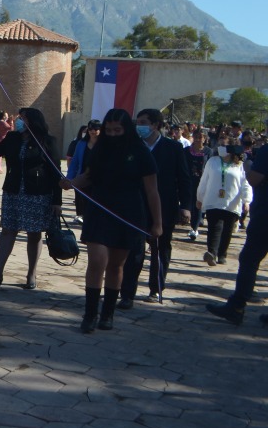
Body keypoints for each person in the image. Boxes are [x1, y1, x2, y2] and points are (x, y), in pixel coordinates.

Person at [60, 108, 162, 334]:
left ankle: (108, 313)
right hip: (98, 209)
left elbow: (152, 191)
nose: (113, 134)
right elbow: (88, 176)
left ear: (127, 129)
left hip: (127, 212)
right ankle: (89, 314)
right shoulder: (99, 149)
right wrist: (71, 182)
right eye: (109, 130)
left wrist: (157, 223)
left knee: (116, 264)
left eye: (118, 130)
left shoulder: (141, 152)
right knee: (97, 260)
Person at [0, 107, 62, 290]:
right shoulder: (13, 138)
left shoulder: (47, 141)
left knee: (34, 234)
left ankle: (31, 274)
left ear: (33, 121)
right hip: (13, 192)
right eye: (18, 118)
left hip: (38, 194)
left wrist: (57, 201)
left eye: (23, 119)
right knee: (8, 230)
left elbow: (56, 174)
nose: (18, 122)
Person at [120, 108, 192, 307]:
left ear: (156, 125)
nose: (139, 126)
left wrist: (185, 206)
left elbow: (184, 179)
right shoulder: (132, 147)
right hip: (136, 206)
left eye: (144, 122)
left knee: (160, 249)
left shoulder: (173, 148)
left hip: (165, 206)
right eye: (138, 122)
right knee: (134, 250)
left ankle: (155, 287)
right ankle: (127, 293)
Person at [207, 139, 268, 326]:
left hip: (265, 216)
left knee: (249, 260)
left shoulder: (267, 151)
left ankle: (237, 306)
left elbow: (255, 178)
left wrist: (249, 168)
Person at [196, 144, 251, 266]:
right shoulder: (213, 162)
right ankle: (211, 253)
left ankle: (222, 254)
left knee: (227, 230)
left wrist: (246, 200)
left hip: (232, 203)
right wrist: (200, 197)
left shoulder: (239, 166)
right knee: (215, 227)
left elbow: (245, 184)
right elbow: (204, 180)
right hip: (213, 201)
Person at [67, 119, 101, 224]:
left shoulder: (103, 144)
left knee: (95, 207)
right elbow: (74, 162)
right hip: (81, 179)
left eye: (96, 128)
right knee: (82, 204)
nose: (93, 131)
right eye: (90, 128)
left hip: (98, 182)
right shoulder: (81, 144)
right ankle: (84, 220)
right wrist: (69, 178)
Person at [185, 129, 210, 241]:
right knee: (188, 202)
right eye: (196, 137)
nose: (198, 139)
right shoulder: (186, 151)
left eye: (201, 137)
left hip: (202, 181)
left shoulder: (208, 151)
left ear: (205, 139)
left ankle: (194, 228)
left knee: (198, 204)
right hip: (188, 181)